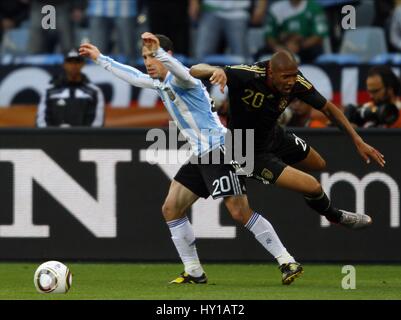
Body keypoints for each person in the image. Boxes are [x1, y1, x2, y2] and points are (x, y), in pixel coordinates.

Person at [79, 32, 303, 285]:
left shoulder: (185, 81)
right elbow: (134, 76)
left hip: (223, 148)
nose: (148, 62)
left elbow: (185, 73)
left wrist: (160, 54)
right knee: (171, 209)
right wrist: (100, 58)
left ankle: (287, 260)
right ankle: (194, 272)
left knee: (239, 212)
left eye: (152, 56)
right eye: (145, 57)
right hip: (202, 154)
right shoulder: (161, 83)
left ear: (168, 56)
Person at [190, 51, 385, 229]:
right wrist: (216, 70)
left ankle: (265, 171)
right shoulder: (247, 74)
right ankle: (335, 215)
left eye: (294, 75)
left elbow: (328, 109)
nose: (291, 81)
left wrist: (358, 141)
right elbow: (194, 70)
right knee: (313, 186)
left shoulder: (297, 81)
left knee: (319, 163)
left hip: (274, 135)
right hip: (246, 149)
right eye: (286, 77)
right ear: (271, 73)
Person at [36, 49, 105, 127]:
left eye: (77, 62)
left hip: (84, 138)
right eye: (70, 62)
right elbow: (41, 122)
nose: (73, 65)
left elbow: (97, 124)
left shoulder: (94, 92)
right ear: (64, 64)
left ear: (82, 64)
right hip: (54, 138)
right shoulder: (49, 91)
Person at [191, 0, 268, 61]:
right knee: (200, 58)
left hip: (238, 11)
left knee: (242, 60)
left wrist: (261, 6)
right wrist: (193, 2)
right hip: (210, 9)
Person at [257, 0, 328, 63]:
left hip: (304, 47)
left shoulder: (314, 7)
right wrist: (276, 47)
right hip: (282, 47)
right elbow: (269, 34)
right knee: (260, 54)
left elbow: (318, 35)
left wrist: (300, 46)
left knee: (315, 51)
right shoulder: (276, 8)